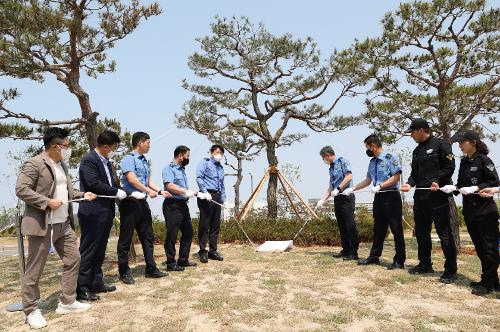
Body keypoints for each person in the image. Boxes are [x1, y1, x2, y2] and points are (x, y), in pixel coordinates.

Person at [15, 127, 96, 329]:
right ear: (56, 146)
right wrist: (46, 202)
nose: (69, 149)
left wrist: (82, 195)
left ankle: (67, 302)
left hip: (63, 223)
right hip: (43, 225)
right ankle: (31, 310)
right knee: (34, 270)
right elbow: (21, 189)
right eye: (67, 146)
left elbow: (65, 192)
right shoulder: (34, 163)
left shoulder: (62, 165)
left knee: (73, 259)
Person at [401, 118, 457, 283]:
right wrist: (409, 184)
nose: (411, 135)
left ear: (420, 130)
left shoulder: (442, 145)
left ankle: (450, 269)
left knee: (444, 233)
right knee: (421, 233)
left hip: (438, 197)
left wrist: (437, 180)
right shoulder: (416, 151)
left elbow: (450, 167)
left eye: (412, 132)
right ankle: (425, 264)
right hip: (421, 197)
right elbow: (414, 174)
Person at [76, 130, 128, 301]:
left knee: (100, 250)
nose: (115, 150)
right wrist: (116, 191)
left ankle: (96, 282)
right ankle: (82, 287)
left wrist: (122, 191)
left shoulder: (107, 162)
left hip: (105, 212)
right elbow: (94, 184)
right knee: (89, 250)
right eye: (114, 147)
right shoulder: (89, 160)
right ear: (106, 146)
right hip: (93, 212)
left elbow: (110, 182)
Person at [343, 135, 406, 269]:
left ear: (373, 145)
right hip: (378, 199)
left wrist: (380, 186)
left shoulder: (390, 157)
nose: (367, 150)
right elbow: (368, 180)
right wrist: (352, 189)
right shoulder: (372, 162)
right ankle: (374, 257)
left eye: (367, 147)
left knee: (396, 229)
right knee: (378, 229)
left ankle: (399, 260)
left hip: (391, 196)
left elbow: (396, 177)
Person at [117, 132, 168, 285]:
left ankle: (151, 268)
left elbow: (147, 181)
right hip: (130, 202)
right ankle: (124, 272)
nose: (149, 145)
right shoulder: (128, 159)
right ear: (140, 142)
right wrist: (147, 191)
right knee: (126, 238)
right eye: (148, 142)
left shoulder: (144, 161)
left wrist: (159, 191)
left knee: (148, 236)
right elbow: (132, 179)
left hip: (142, 203)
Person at [453, 130, 499, 295]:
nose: (460, 145)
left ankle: (489, 282)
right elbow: (459, 184)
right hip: (470, 212)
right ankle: (489, 279)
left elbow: (494, 181)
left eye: (462, 142)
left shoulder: (484, 160)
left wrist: (476, 187)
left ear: (472, 142)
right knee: (480, 248)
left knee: (489, 248)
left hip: (485, 212)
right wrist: (452, 188)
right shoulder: (464, 162)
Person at [163, 145, 202, 271]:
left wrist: (189, 193)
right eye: (187, 156)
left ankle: (183, 260)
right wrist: (185, 191)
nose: (188, 158)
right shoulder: (169, 168)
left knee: (188, 232)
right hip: (172, 204)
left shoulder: (182, 169)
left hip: (183, 205)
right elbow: (170, 186)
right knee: (172, 234)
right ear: (180, 155)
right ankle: (170, 263)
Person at [317, 146, 358, 260]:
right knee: (341, 225)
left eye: (323, 158)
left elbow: (349, 176)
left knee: (349, 225)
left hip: (346, 196)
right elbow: (331, 186)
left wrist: (339, 188)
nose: (324, 160)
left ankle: (353, 253)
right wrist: (323, 199)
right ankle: (345, 250)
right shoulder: (331, 167)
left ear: (328, 155)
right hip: (337, 198)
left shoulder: (342, 161)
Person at [196, 145, 226, 263]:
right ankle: (203, 251)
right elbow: (199, 178)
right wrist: (205, 191)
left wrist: (223, 199)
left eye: (221, 153)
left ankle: (213, 251)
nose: (219, 155)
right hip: (206, 195)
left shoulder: (221, 168)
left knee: (215, 224)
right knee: (205, 224)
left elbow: (222, 185)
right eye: (217, 152)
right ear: (212, 152)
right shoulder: (205, 163)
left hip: (217, 196)